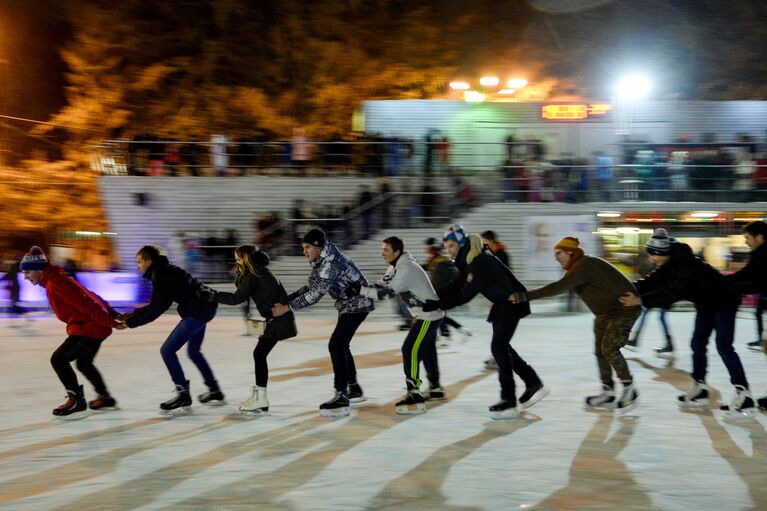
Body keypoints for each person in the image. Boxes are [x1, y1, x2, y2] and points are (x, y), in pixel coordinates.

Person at [620, 228, 754, 415]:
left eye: (653, 256)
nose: (652, 259)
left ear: (661, 253)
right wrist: (629, 287)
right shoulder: (669, 262)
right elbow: (652, 281)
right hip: (706, 304)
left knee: (724, 346)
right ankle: (700, 389)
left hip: (725, 301)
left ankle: (744, 395)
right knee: (697, 344)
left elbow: (671, 294)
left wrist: (639, 300)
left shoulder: (684, 265)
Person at [423, 225, 547, 420]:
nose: (449, 250)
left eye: (452, 245)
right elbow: (456, 286)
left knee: (498, 348)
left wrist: (439, 304)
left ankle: (509, 401)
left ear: (461, 243)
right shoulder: (467, 261)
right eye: (447, 246)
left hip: (513, 301)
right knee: (503, 348)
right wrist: (433, 297)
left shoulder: (478, 261)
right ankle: (533, 382)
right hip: (502, 303)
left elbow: (466, 294)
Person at [509, 237, 641, 411]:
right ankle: (608, 392)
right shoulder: (577, 267)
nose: (555, 257)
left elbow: (556, 288)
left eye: (558, 253)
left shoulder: (584, 265)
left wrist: (524, 296)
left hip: (623, 310)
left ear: (570, 252)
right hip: (604, 314)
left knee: (609, 348)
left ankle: (629, 388)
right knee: (600, 352)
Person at [271, 229, 375, 417]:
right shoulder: (321, 261)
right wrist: (287, 300)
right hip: (349, 303)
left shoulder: (330, 263)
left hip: (358, 302)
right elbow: (311, 286)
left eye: (307, 247)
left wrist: (286, 308)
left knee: (336, 345)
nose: (304, 251)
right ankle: (353, 388)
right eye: (303, 247)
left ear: (318, 246)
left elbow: (314, 296)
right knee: (341, 345)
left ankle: (341, 394)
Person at [118, 245, 221, 415]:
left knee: (167, 351)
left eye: (139, 262)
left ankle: (182, 394)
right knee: (194, 352)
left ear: (148, 261)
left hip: (198, 311)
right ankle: (214, 390)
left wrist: (130, 323)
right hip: (205, 307)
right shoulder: (164, 270)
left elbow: (156, 309)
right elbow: (158, 304)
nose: (138, 266)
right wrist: (132, 315)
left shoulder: (161, 275)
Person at [21, 246, 121, 419]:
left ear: (38, 269)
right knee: (84, 363)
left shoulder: (56, 283)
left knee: (59, 359)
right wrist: (113, 314)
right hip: (91, 326)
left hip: (89, 328)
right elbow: (90, 294)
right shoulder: (56, 279)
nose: (26, 277)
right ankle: (104, 397)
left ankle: (76, 400)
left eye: (28, 272)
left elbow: (88, 303)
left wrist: (111, 321)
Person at [199, 245, 297, 414]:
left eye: (238, 259)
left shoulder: (254, 275)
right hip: (275, 320)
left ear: (246, 259)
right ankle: (260, 396)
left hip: (278, 320)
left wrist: (211, 294)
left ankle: (261, 397)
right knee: (259, 354)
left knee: (259, 355)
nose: (236, 262)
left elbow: (236, 298)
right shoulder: (259, 272)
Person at [360, 236, 444, 414]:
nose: (382, 253)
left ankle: (414, 393)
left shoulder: (406, 268)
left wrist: (359, 291)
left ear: (397, 252)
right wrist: (360, 286)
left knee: (410, 349)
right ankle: (435, 388)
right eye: (382, 249)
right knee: (427, 349)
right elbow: (381, 284)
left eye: (386, 250)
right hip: (428, 315)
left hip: (429, 316)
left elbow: (384, 294)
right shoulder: (395, 267)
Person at [721, 220, 767, 408]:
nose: (746, 242)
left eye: (748, 238)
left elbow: (753, 280)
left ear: (760, 237)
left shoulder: (763, 255)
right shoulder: (760, 254)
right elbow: (747, 277)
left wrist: (724, 284)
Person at [423, 238, 472, 345]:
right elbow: (426, 268)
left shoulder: (443, 262)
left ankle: (454, 333)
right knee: (439, 315)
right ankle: (453, 333)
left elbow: (450, 278)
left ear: (434, 249)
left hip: (443, 293)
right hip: (438, 293)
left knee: (439, 314)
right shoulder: (435, 261)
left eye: (429, 248)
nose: (427, 251)